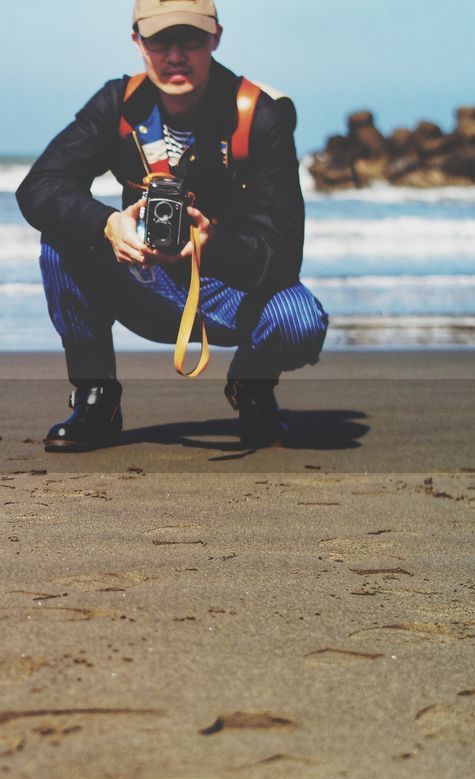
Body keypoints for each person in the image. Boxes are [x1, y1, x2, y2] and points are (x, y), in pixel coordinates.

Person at [17, 0, 328, 451]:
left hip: (226, 286)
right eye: (160, 40)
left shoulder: (259, 115)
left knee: (299, 321)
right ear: (137, 42)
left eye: (191, 39)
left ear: (215, 38)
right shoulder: (119, 104)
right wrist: (108, 224)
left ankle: (253, 388)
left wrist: (211, 244)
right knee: (62, 240)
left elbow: (283, 253)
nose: (175, 54)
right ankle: (95, 398)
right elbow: (39, 187)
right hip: (140, 275)